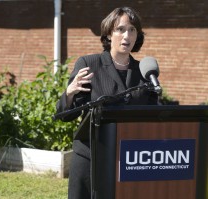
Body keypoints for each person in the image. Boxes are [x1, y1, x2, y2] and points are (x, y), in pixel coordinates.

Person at [56, 7, 159, 199]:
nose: (126, 35)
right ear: (109, 34)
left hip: (130, 162)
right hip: (90, 159)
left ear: (138, 36)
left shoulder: (144, 72)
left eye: (132, 30)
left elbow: (154, 115)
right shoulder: (89, 64)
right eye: (120, 29)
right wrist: (69, 93)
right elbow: (67, 115)